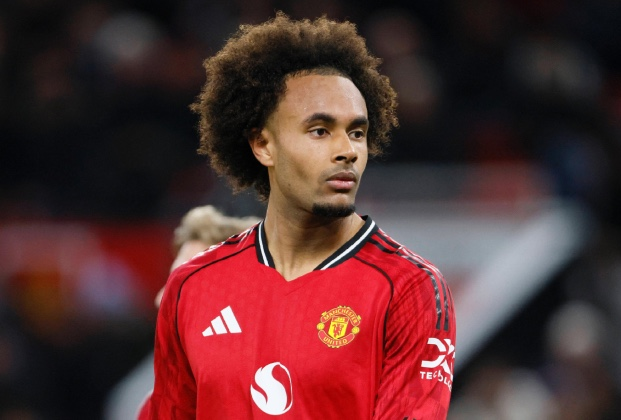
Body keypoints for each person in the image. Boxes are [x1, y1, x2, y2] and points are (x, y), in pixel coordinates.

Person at [143, 12, 456, 419]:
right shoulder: (191, 286)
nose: (347, 151)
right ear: (263, 145)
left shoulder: (410, 288)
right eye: (320, 131)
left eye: (357, 132)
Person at [105, 205, 259, 420]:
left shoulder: (289, 392)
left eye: (186, 286)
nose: (161, 299)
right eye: (171, 282)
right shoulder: (142, 402)